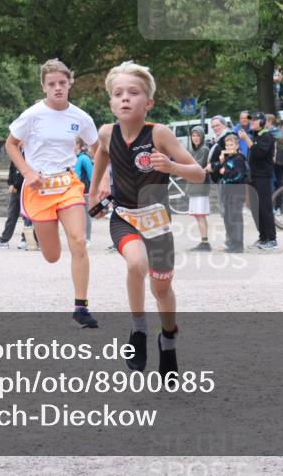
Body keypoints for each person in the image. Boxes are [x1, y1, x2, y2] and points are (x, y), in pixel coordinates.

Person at [88, 61, 206, 374]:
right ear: (111, 102)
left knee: (162, 290)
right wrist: (95, 188)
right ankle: (138, 329)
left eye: (133, 92)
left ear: (148, 102)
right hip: (124, 216)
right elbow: (101, 152)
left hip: (157, 222)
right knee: (135, 263)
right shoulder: (106, 133)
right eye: (118, 93)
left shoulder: (160, 134)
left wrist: (172, 167)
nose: (125, 98)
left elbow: (199, 173)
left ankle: (168, 340)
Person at [6, 59, 100, 328]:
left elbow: (97, 148)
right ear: (44, 87)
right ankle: (45, 230)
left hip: (68, 184)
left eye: (62, 83)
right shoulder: (32, 115)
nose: (57, 88)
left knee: (79, 241)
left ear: (70, 83)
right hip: (39, 188)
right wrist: (27, 172)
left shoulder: (81, 117)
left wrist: (103, 178)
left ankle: (81, 308)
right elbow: (11, 144)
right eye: (52, 84)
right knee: (52, 255)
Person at [242, 112, 277, 249]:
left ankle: (271, 239)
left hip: (263, 177)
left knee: (264, 208)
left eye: (255, 120)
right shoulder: (257, 136)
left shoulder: (267, 136)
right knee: (256, 209)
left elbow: (259, 153)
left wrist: (246, 140)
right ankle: (263, 237)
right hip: (254, 177)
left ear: (262, 122)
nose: (252, 122)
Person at [213, 133, 248, 253]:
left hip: (236, 192)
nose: (229, 147)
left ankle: (238, 245)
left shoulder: (239, 159)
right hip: (227, 192)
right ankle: (232, 243)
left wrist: (225, 172)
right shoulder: (228, 158)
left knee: (235, 218)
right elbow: (221, 171)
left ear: (237, 145)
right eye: (227, 145)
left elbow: (238, 175)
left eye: (231, 144)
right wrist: (222, 161)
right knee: (228, 219)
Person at [186, 126, 212, 252]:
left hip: (200, 187)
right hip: (192, 186)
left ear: (202, 137)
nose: (195, 138)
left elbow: (197, 166)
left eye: (198, 135)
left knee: (200, 215)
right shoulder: (191, 149)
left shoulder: (204, 149)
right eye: (193, 135)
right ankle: (204, 241)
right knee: (197, 215)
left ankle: (205, 242)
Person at [74, 137, 94, 244]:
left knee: (86, 216)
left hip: (85, 191)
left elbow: (92, 175)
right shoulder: (71, 158)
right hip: (74, 192)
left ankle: (87, 238)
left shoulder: (84, 159)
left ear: (78, 145)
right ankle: (79, 237)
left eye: (73, 143)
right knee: (76, 216)